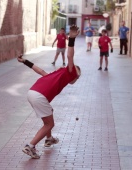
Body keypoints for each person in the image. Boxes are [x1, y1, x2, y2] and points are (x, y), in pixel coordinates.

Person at [17, 25, 81, 159]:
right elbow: (69, 57)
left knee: (49, 113)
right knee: (49, 123)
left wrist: (25, 61)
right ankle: (30, 146)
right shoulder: (64, 73)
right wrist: (72, 39)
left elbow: (40, 70)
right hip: (39, 96)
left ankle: (49, 138)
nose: (71, 66)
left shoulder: (64, 74)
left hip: (32, 92)